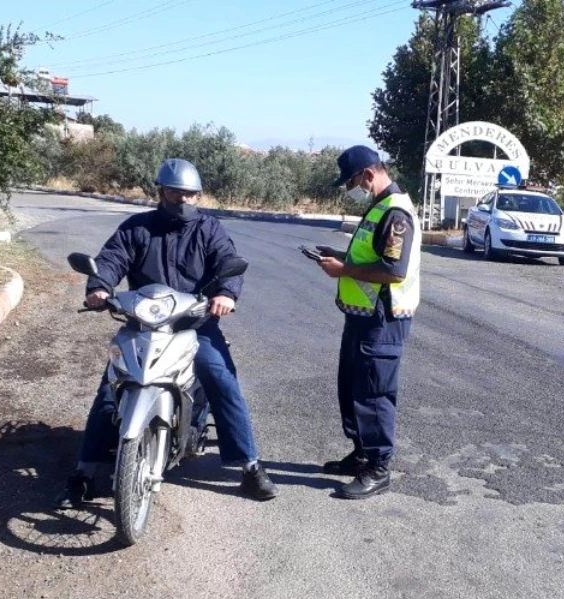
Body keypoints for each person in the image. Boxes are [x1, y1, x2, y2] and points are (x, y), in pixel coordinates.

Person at [55, 158, 279, 508]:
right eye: (177, 193)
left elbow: (227, 263)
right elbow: (112, 258)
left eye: (191, 195)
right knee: (109, 390)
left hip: (195, 326)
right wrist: (100, 287)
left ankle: (249, 466)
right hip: (142, 324)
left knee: (221, 379)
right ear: (161, 192)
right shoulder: (137, 227)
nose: (184, 200)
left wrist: (225, 294)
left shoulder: (209, 229)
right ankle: (83, 472)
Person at [311, 146, 420, 499]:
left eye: (352, 182)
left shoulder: (396, 213)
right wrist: (338, 257)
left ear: (369, 175)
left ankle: (378, 467)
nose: (350, 190)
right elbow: (370, 256)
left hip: (382, 319)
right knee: (353, 387)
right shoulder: (379, 206)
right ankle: (360, 454)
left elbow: (393, 270)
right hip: (362, 316)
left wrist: (343, 270)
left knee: (374, 393)